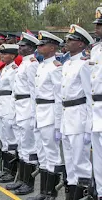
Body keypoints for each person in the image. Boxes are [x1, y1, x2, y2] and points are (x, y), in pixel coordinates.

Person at [29, 31, 64, 200]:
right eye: (38, 45)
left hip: (49, 113)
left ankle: (51, 193)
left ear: (53, 47)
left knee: (52, 154)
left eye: (42, 45)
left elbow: (59, 98)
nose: (39, 47)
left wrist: (58, 124)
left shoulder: (56, 68)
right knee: (42, 153)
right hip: (39, 112)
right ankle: (42, 192)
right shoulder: (41, 65)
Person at [60, 24, 94, 199]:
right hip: (67, 117)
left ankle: (84, 195)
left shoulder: (84, 64)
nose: (67, 42)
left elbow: (90, 97)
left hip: (79, 116)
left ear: (81, 44)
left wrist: (89, 126)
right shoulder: (66, 64)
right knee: (70, 161)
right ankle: (72, 195)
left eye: (71, 40)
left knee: (81, 162)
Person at [6, 32, 39, 195]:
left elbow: (34, 91)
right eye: (19, 45)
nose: (19, 47)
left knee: (28, 146)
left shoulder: (32, 64)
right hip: (19, 107)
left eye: (23, 45)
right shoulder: (23, 64)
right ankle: (22, 179)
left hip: (27, 108)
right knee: (21, 145)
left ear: (31, 48)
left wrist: (34, 114)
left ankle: (29, 183)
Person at [0, 44, 19, 183]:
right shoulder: (5, 69)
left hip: (9, 106)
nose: (2, 56)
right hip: (1, 106)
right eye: (1, 53)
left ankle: (12, 172)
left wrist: (14, 110)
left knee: (11, 140)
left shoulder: (15, 70)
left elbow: (15, 92)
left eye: (5, 53)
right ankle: (5, 169)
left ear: (13, 56)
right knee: (4, 140)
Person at [91, 6, 102, 200]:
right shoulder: (95, 50)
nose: (97, 28)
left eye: (100, 25)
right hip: (95, 108)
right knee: (98, 158)